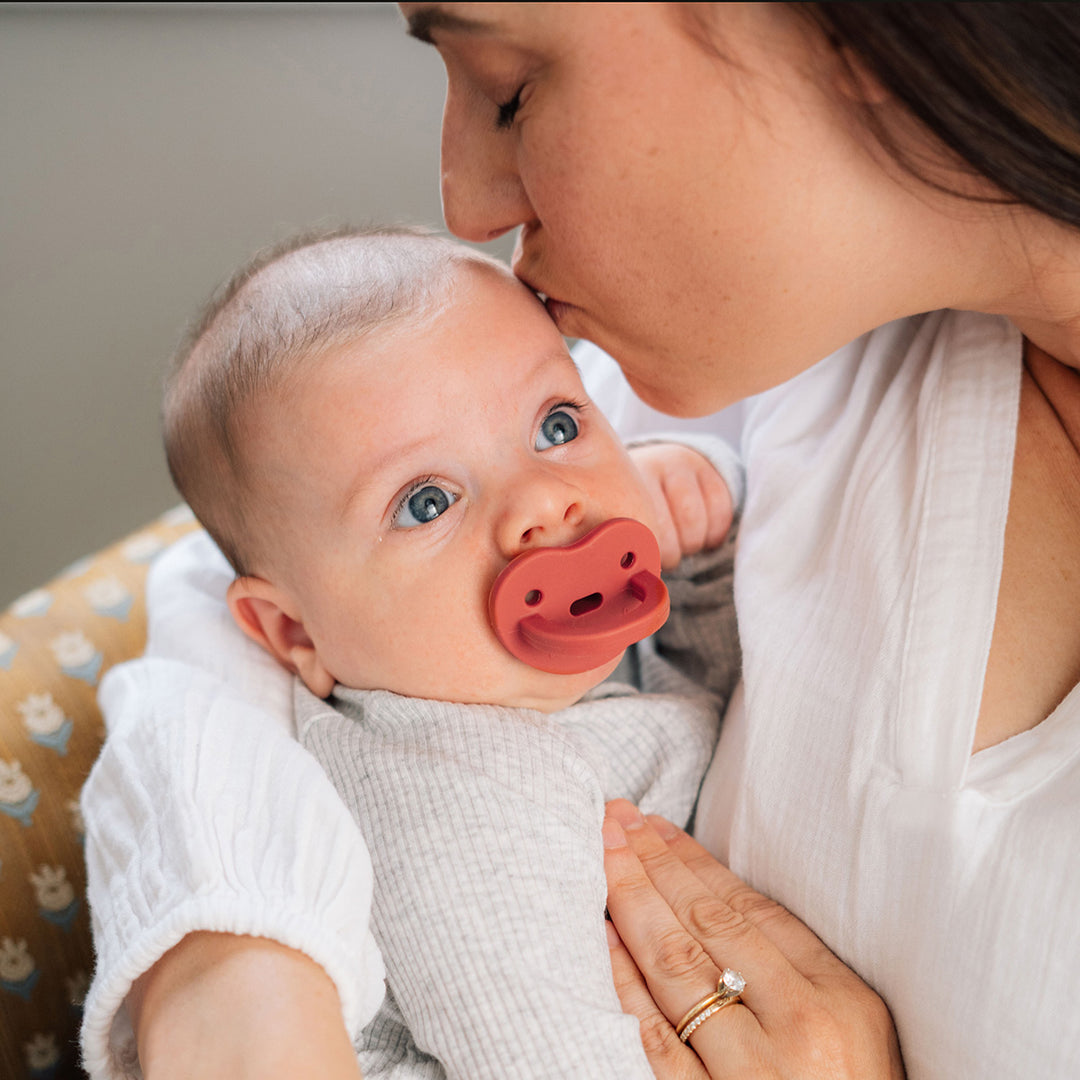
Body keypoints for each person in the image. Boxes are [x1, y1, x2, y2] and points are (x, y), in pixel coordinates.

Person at [81, 3, 1080, 1078]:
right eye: (427, 502)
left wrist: (686, 553)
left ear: (874, 32)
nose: (464, 205)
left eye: (511, 89)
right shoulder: (741, 335)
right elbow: (219, 563)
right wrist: (229, 965)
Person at [159, 224, 741, 1079]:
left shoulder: (492, 679)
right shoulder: (451, 810)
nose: (544, 501)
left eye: (555, 425)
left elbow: (706, 702)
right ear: (296, 634)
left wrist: (694, 552)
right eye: (427, 502)